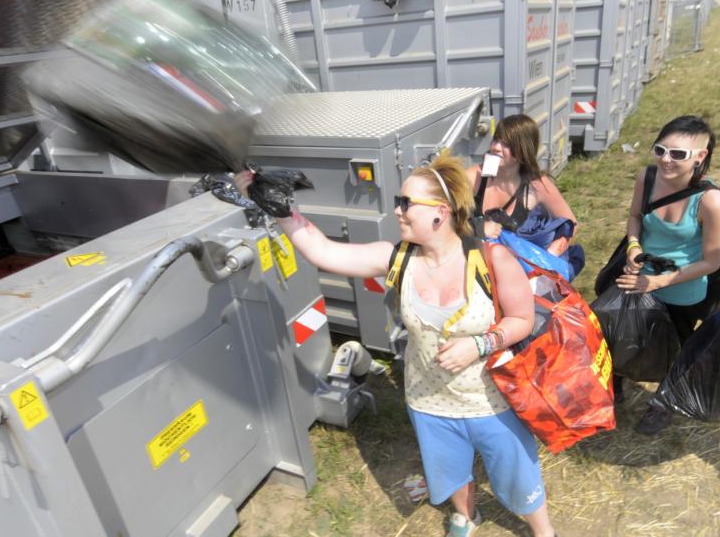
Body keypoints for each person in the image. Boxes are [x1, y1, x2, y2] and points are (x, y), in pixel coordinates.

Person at [236, 154, 556, 537]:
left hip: (491, 399)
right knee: (450, 469)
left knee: (517, 472)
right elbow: (324, 252)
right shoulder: (398, 259)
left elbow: (521, 320)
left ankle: (542, 530)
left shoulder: (490, 258)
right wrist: (282, 210)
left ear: (441, 211)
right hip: (427, 398)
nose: (397, 212)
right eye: (397, 202)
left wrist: (480, 343)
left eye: (406, 204)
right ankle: (467, 515)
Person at [614, 116, 720, 434]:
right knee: (623, 333)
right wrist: (634, 246)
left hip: (683, 291)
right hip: (639, 280)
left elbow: (713, 260)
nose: (666, 159)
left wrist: (662, 280)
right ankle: (614, 387)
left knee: (675, 349)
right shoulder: (647, 177)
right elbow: (635, 217)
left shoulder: (711, 200)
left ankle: (663, 403)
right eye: (660, 149)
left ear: (700, 157)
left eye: (678, 154)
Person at [466, 115, 577, 256]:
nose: (495, 147)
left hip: (514, 267)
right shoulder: (476, 176)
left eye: (506, 144)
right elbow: (441, 215)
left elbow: (571, 224)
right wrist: (477, 227)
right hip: (474, 265)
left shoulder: (536, 185)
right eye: (495, 140)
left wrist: (552, 252)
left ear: (523, 149)